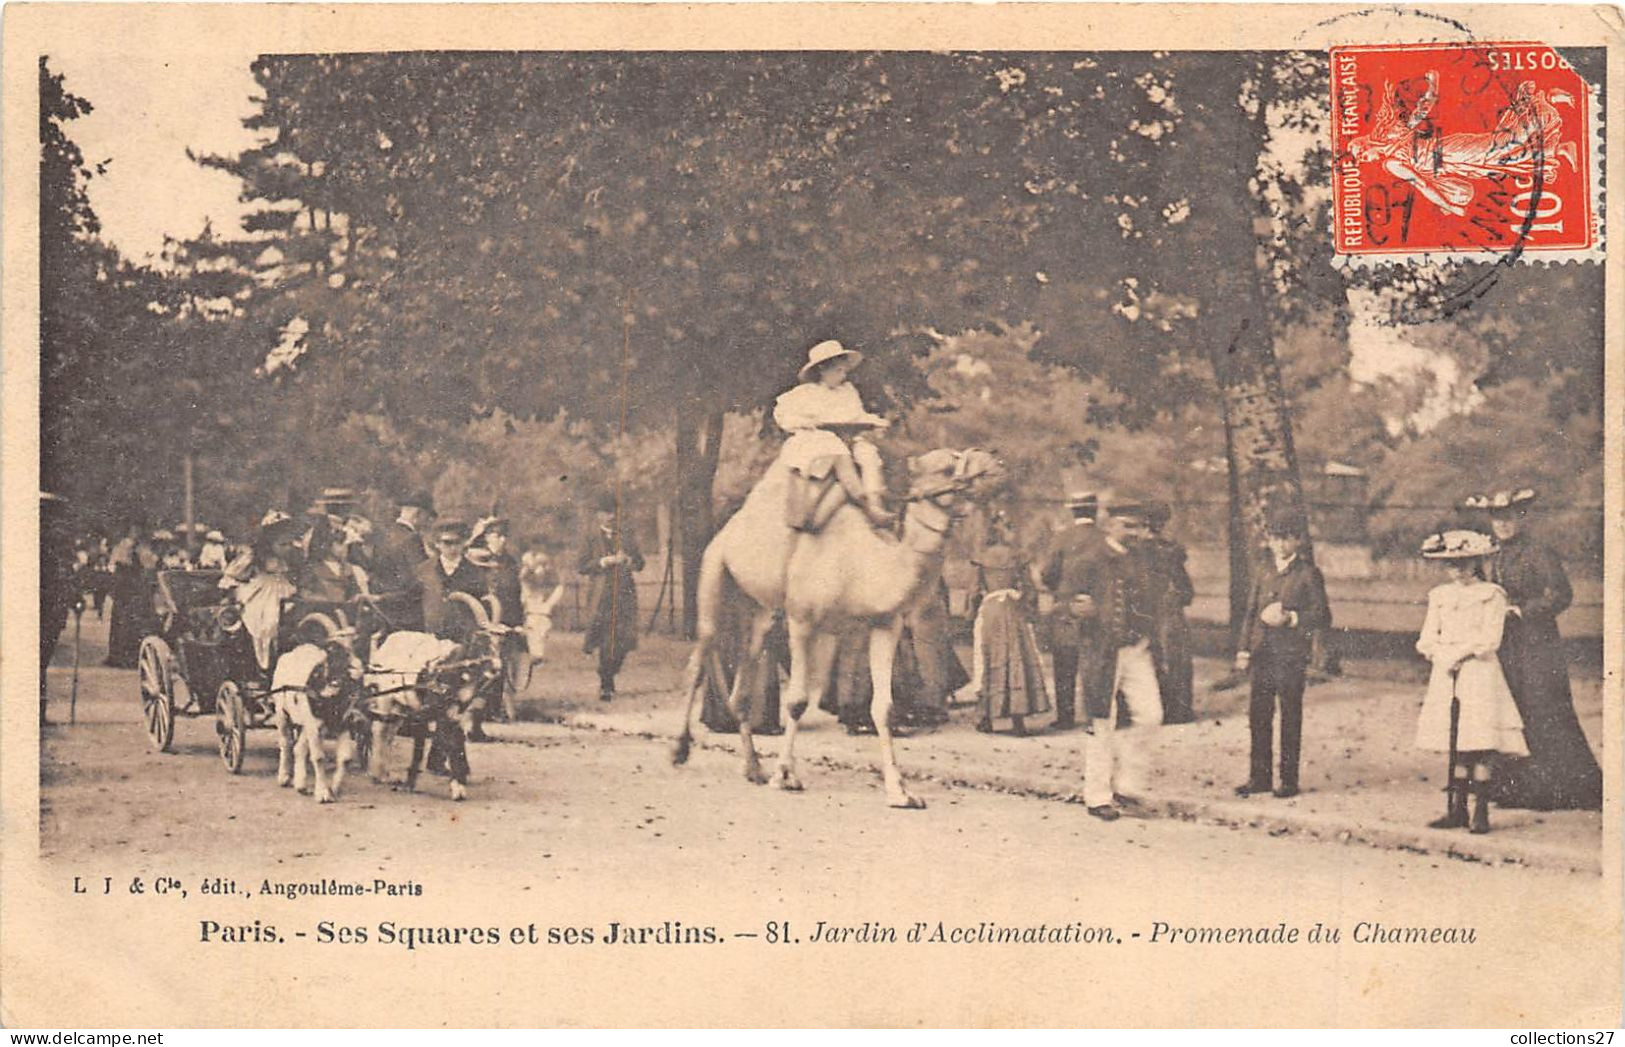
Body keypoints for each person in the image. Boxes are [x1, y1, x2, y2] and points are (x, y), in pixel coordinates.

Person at [1468, 488, 1602, 811]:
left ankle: (1564, 788)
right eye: (1497, 518)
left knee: (1544, 709)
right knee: (1513, 709)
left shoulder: (1538, 551)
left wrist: (1523, 611)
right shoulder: (1492, 554)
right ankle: (1516, 788)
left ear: (1522, 517)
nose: (1503, 524)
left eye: (1509, 517)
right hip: (1507, 645)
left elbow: (1561, 594)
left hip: (1538, 644)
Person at [1414, 529, 1527, 834]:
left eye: (1465, 562)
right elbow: (1426, 638)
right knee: (1457, 742)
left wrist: (1460, 653)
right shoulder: (1440, 596)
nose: (1458, 570)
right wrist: (1441, 656)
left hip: (1479, 671)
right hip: (1447, 672)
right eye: (1452, 564)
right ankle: (1457, 809)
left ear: (1477, 562)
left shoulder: (1491, 594)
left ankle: (1480, 812)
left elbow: (1490, 639)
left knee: (1481, 740)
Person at [1071, 501, 1163, 822]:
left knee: (1151, 715)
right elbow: (1062, 603)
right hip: (1102, 651)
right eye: (1126, 525)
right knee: (1101, 722)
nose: (1133, 532)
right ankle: (1097, 796)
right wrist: (1076, 609)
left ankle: (1128, 785)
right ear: (1109, 525)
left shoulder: (1142, 560)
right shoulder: (1089, 561)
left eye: (1137, 526)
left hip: (1136, 649)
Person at [1234, 506, 1332, 800]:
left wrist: (1292, 618)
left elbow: (1322, 615)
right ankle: (1259, 777)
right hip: (1262, 653)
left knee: (1290, 715)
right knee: (1259, 715)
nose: (1280, 544)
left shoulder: (1307, 573)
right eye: (1275, 538)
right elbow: (1251, 613)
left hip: (1290, 655)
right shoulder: (1264, 571)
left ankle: (1288, 779)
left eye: (1286, 539)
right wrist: (1243, 649)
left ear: (1297, 541)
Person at [772, 339, 892, 530]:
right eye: (837, 370)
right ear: (822, 370)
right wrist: (807, 422)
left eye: (844, 370)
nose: (843, 375)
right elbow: (784, 416)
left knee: (868, 453)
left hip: (846, 437)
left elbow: (857, 416)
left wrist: (875, 421)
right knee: (838, 453)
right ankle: (864, 503)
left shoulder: (847, 391)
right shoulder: (806, 393)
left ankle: (875, 501)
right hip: (817, 439)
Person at [1040, 490, 1108, 732]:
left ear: (1073, 511)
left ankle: (1066, 717)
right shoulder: (1105, 538)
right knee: (1095, 661)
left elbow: (1047, 573)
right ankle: (1096, 716)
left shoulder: (1061, 538)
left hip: (1066, 607)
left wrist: (1060, 591)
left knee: (1065, 662)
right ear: (1095, 511)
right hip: (1098, 607)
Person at [969, 543, 1050, 736]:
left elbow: (973, 592)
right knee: (1016, 659)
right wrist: (1027, 609)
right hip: (1014, 610)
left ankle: (985, 718)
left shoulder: (981, 557)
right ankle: (1018, 720)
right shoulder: (1018, 554)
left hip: (991, 612)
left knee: (987, 659)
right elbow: (1030, 590)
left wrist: (970, 614)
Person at [578, 492, 644, 701]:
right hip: (601, 596)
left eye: (613, 513)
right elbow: (581, 566)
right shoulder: (590, 538)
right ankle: (606, 682)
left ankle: (610, 672)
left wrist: (630, 561)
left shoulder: (626, 536)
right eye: (606, 513)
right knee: (606, 639)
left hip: (624, 595)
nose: (611, 517)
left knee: (623, 641)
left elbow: (641, 563)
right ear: (598, 515)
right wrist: (602, 562)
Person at [220, 511, 302, 673]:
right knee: (269, 620)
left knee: (293, 612)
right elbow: (233, 574)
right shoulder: (254, 555)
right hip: (261, 591)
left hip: (283, 588)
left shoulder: (291, 553)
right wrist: (232, 589)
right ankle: (266, 661)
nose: (286, 546)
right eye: (281, 543)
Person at [1141, 502, 1196, 725]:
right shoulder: (1172, 551)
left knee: (1152, 657)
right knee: (1175, 658)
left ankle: (1157, 709)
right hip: (1168, 609)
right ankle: (1179, 711)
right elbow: (1187, 591)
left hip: (1145, 611)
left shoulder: (1136, 552)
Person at [470, 517, 526, 722]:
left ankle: (497, 709)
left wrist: (518, 623)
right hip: (483, 622)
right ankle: (479, 711)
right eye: (496, 535)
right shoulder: (476, 561)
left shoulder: (510, 562)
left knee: (503, 666)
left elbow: (516, 595)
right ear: (486, 538)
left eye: (504, 536)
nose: (501, 540)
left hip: (507, 621)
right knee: (482, 666)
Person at [372, 490, 434, 631]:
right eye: (427, 517)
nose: (427, 522)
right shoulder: (411, 539)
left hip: (384, 611)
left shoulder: (383, 536)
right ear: (418, 514)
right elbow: (420, 578)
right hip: (408, 615)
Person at [417, 519, 487, 640]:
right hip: (432, 638)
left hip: (464, 640)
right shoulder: (424, 570)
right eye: (447, 543)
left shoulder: (475, 573)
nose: (453, 547)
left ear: (464, 543)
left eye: (457, 542)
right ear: (437, 544)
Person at [519, 545, 566, 663]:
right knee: (532, 627)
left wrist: (549, 603)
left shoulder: (550, 573)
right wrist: (526, 598)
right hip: (531, 605)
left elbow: (558, 587)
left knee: (542, 628)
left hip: (543, 605)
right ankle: (534, 653)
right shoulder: (524, 573)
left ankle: (538, 653)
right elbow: (522, 585)